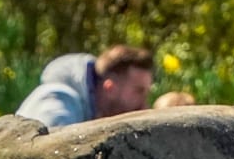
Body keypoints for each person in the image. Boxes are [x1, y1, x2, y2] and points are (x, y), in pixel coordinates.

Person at [15, 45, 154, 130]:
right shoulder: (58, 105)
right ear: (110, 88)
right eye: (138, 91)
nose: (145, 105)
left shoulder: (87, 112)